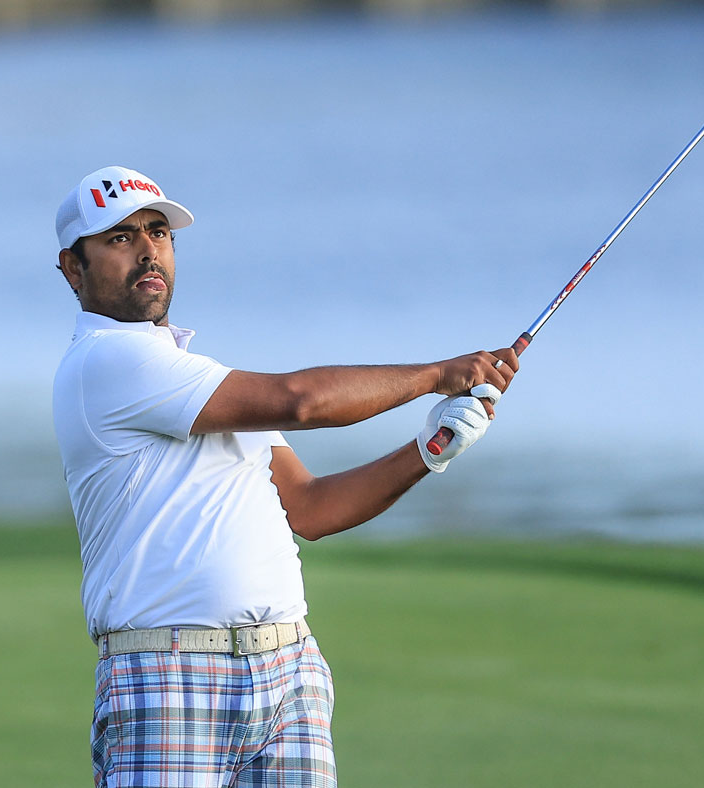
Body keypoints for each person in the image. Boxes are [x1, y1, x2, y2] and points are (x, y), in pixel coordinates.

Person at [51, 165, 517, 787]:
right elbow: (301, 401)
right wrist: (438, 375)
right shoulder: (105, 362)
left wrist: (428, 451)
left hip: (288, 672)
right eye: (120, 237)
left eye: (159, 233)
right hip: (168, 678)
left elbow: (311, 507)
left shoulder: (195, 377)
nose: (147, 251)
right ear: (73, 269)